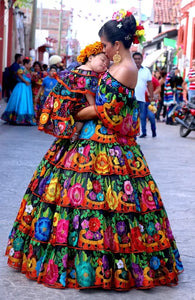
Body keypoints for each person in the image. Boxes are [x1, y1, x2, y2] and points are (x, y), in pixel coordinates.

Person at [5, 9, 183, 291]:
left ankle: (100, 265)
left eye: (106, 44)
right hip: (91, 140)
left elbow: (106, 111)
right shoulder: (115, 65)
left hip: (107, 145)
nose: (104, 49)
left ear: (117, 44)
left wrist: (76, 113)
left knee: (104, 202)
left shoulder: (125, 68)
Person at [38, 42, 108, 142]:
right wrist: (95, 109)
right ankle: (75, 134)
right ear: (90, 58)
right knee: (80, 121)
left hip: (65, 107)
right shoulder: (89, 75)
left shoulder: (76, 70)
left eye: (107, 62)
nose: (105, 63)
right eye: (102, 60)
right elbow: (89, 95)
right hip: (76, 106)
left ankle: (73, 134)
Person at [1, 58, 36, 125]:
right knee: (21, 100)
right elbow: (19, 75)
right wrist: (25, 81)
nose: (30, 65)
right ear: (25, 64)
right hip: (22, 87)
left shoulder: (28, 70)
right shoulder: (22, 69)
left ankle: (24, 118)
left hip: (26, 87)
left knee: (24, 101)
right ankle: (18, 118)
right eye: (29, 64)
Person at [133, 52, 155, 137]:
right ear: (133, 59)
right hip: (130, 98)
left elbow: (150, 85)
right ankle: (132, 136)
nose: (137, 60)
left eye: (139, 59)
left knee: (141, 117)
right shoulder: (129, 69)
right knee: (131, 117)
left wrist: (152, 97)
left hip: (141, 99)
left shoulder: (146, 71)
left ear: (142, 60)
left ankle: (140, 133)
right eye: (135, 59)